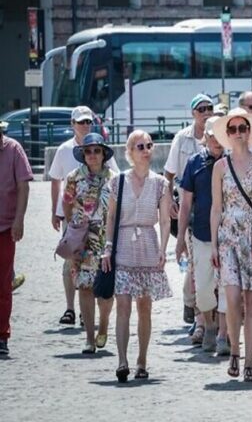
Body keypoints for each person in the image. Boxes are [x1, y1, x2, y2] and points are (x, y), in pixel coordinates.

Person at [102, 130, 173, 381]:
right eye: (140, 146)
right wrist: (107, 248)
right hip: (123, 247)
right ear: (130, 152)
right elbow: (110, 217)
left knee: (145, 307)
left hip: (148, 246)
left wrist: (164, 249)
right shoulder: (117, 181)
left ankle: (142, 359)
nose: (146, 150)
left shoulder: (160, 183)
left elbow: (165, 220)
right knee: (122, 306)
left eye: (149, 145)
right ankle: (122, 361)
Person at [210, 108, 252, 383]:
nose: (238, 133)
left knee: (251, 302)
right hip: (228, 237)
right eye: (233, 128)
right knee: (233, 298)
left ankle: (249, 362)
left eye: (242, 128)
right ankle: (234, 349)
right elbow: (215, 208)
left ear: (249, 131)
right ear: (227, 133)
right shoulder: (220, 167)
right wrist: (213, 244)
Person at [50, 106, 117, 327]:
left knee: (99, 269)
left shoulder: (106, 163)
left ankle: (91, 316)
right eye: (80, 122)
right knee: (72, 262)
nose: (84, 125)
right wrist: (57, 213)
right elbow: (57, 183)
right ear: (72, 124)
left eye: (88, 121)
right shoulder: (63, 150)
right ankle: (71, 308)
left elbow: (116, 183)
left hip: (102, 225)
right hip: (75, 221)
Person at [176, 117, 228, 355]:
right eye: (213, 136)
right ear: (205, 138)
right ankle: (207, 324)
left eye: (221, 135)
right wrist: (179, 240)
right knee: (204, 287)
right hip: (202, 233)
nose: (217, 140)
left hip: (229, 234)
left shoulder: (232, 162)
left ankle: (223, 333)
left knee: (228, 285)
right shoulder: (194, 163)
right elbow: (186, 204)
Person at [62, 134, 116, 354]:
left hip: (106, 239)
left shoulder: (115, 178)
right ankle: (89, 339)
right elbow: (66, 205)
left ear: (103, 154)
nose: (92, 155)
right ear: (83, 155)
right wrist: (70, 232)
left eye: (96, 151)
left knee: (105, 290)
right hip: (82, 240)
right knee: (84, 286)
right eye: (88, 151)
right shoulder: (73, 178)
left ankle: (103, 324)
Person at [164, 93, 214, 331]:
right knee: (194, 261)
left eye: (209, 108)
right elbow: (169, 173)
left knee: (205, 262)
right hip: (188, 206)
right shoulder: (181, 139)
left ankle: (196, 308)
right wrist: (168, 200)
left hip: (211, 206)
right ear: (193, 113)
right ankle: (197, 314)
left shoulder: (218, 136)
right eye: (201, 108)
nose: (206, 112)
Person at [0, 119, 32, 356]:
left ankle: (2, 335)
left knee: (3, 284)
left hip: (5, 226)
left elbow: (23, 186)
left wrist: (19, 219)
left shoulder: (13, 149)